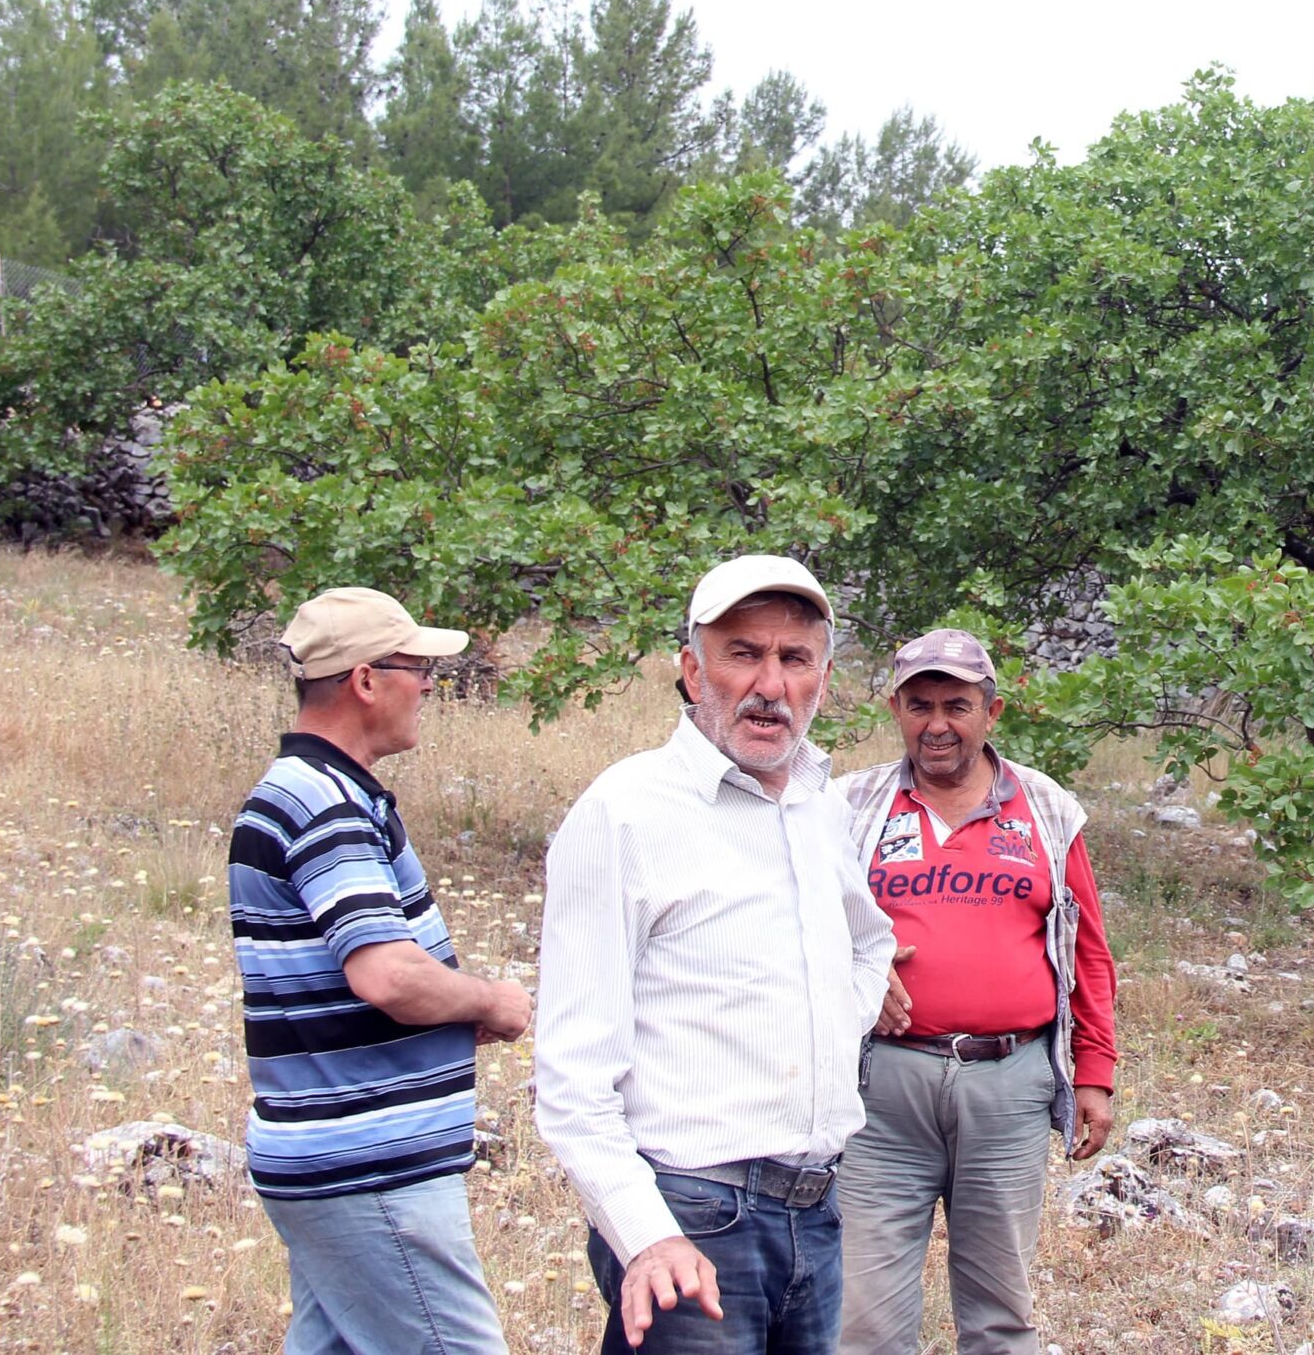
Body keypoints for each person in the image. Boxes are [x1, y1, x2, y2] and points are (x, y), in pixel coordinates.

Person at [535, 555, 895, 1354]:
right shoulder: (624, 813)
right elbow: (569, 1080)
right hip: (692, 1219)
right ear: (693, 669)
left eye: (794, 659)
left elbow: (871, 942)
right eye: (743, 653)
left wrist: (838, 1016)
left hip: (817, 1212)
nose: (770, 684)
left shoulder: (819, 804)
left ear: (823, 682)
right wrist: (645, 1235)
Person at [231, 586, 534, 1355]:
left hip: (342, 1163)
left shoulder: (309, 791)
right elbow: (389, 976)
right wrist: (490, 1002)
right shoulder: (323, 801)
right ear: (365, 680)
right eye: (414, 667)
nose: (429, 685)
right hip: (369, 1172)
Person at [834, 629, 1118, 1355]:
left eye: (956, 705)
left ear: (992, 713)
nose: (937, 724)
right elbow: (794, 931)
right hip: (880, 1091)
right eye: (919, 704)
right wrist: (861, 968)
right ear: (896, 708)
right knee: (863, 1319)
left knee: (1000, 1315)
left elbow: (1086, 950)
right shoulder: (847, 808)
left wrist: (1096, 1074)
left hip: (1009, 1085)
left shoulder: (1047, 809)